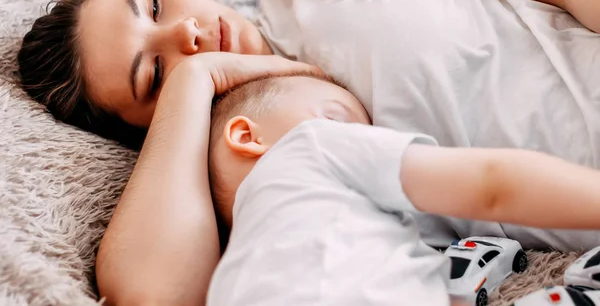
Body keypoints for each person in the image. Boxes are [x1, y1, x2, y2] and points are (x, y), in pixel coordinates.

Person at [15, 0, 600, 304]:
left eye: (157, 6)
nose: (186, 35)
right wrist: (195, 86)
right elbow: (154, 295)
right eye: (156, 72)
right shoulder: (261, 154)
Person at [204, 72, 600, 306]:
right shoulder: (310, 144)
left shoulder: (228, 281)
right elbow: (492, 184)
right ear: (245, 135)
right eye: (341, 119)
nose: (368, 138)